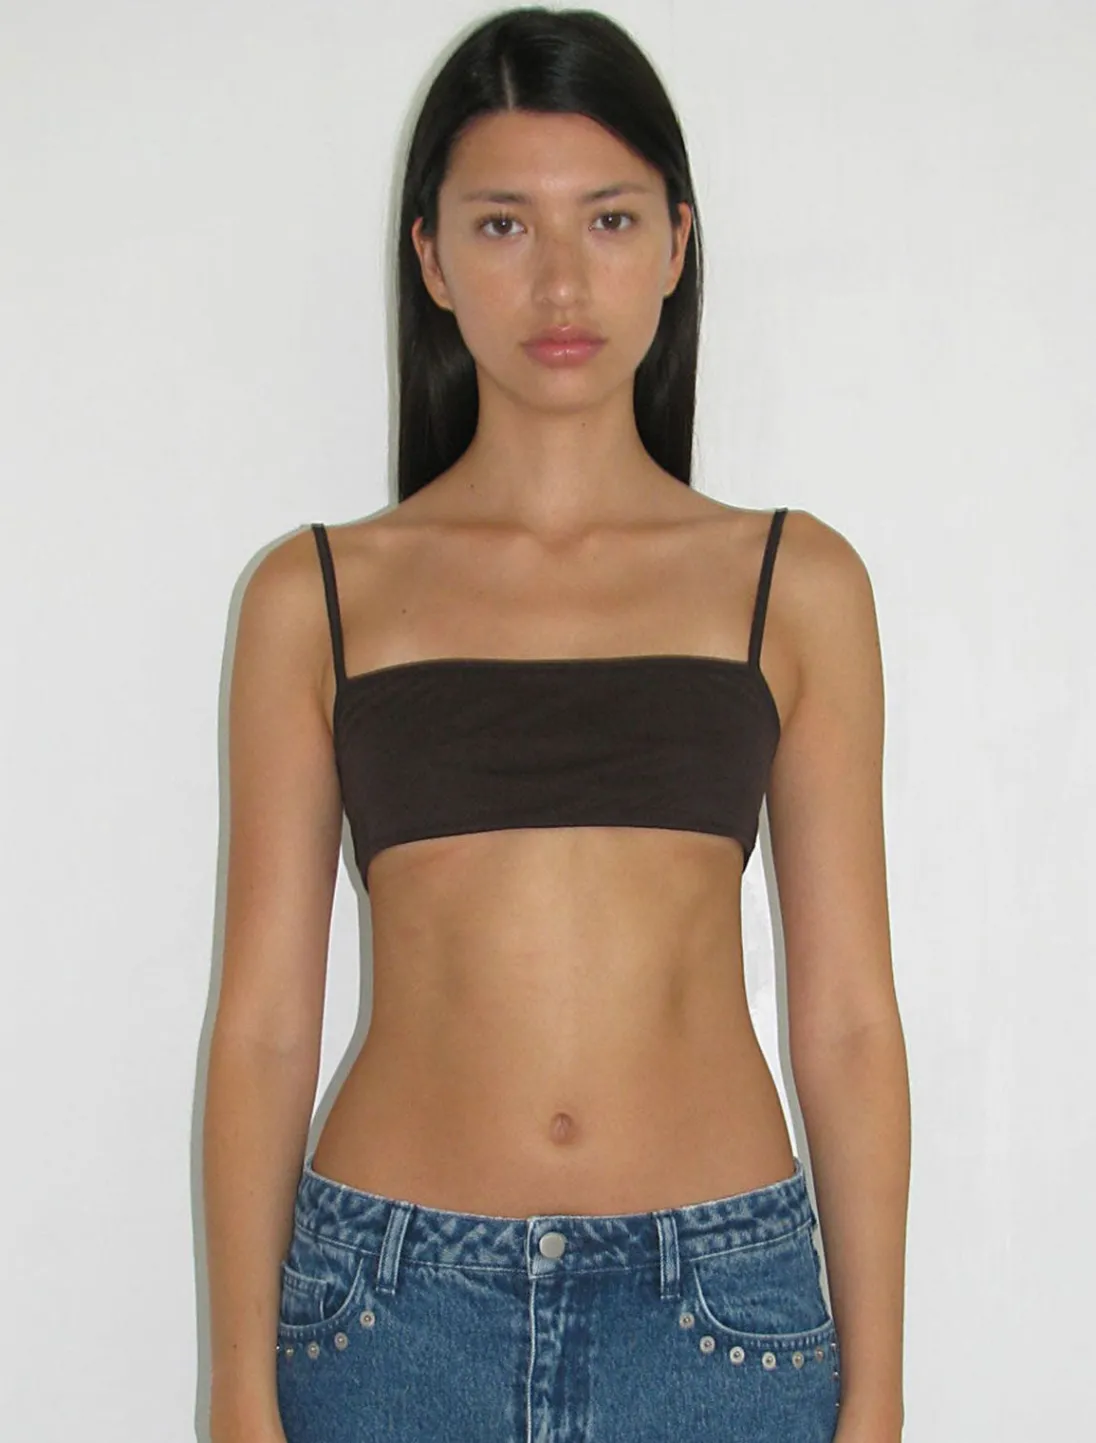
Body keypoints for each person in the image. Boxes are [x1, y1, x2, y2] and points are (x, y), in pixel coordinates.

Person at [202, 9, 910, 1443]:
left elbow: (845, 1016)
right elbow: (267, 1026)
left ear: (678, 242)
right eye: (504, 224)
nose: (563, 278)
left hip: (721, 1322)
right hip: (389, 1316)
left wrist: (881, 1392)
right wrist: (235, 1388)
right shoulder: (316, 595)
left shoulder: (794, 583)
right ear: (431, 258)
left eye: (610, 217)